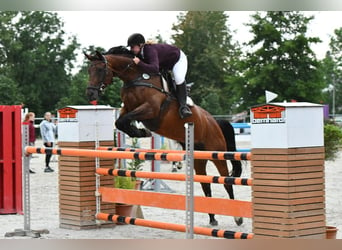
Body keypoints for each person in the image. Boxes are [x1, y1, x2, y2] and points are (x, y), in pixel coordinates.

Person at [127, 33, 192, 119]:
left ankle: (183, 107)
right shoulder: (139, 53)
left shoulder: (149, 50)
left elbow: (154, 68)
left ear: (140, 45)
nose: (131, 49)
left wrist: (140, 63)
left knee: (178, 78)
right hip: (164, 64)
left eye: (132, 47)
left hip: (177, 60)